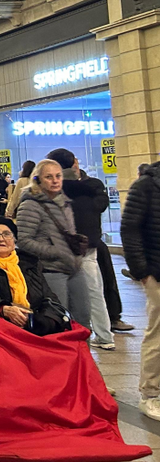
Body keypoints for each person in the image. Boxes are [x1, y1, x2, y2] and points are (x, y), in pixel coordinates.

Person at [14, 159, 100, 343]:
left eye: (58, 176)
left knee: (83, 318)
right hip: (50, 270)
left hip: (73, 266)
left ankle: (82, 361)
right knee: (59, 320)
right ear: (38, 179)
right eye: (49, 177)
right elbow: (24, 241)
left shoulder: (64, 201)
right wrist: (55, 251)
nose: (55, 181)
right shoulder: (30, 204)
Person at [47, 148, 116, 349]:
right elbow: (99, 207)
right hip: (89, 245)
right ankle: (104, 335)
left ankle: (66, 335)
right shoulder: (93, 188)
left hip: (61, 249)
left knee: (59, 293)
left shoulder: (53, 191)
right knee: (95, 291)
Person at [0, 217, 71, 336]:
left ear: (14, 240)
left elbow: (48, 298)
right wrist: (3, 308)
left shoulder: (29, 263)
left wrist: (37, 322)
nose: (1, 239)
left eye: (7, 234)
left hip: (32, 324)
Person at [122, 158, 160, 420]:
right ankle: (151, 393)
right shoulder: (146, 185)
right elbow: (129, 229)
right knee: (158, 335)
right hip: (157, 271)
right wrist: (142, 271)